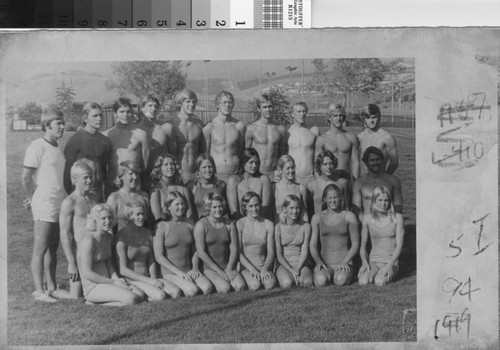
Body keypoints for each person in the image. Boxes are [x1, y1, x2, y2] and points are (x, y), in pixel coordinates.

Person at [21, 107, 67, 302]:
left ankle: (51, 287)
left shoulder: (57, 148)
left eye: (63, 123)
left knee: (53, 247)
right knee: (40, 247)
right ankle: (39, 291)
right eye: (58, 124)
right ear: (47, 125)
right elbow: (25, 177)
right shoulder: (37, 146)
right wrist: (33, 197)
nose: (62, 127)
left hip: (58, 201)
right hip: (44, 202)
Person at [77, 204, 144, 306]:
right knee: (132, 298)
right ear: (95, 220)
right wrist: (113, 283)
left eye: (110, 218)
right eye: (103, 218)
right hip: (93, 286)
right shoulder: (89, 241)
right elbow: (87, 273)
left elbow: (109, 264)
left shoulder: (109, 237)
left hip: (108, 282)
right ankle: (91, 302)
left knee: (140, 294)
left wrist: (117, 280)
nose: (108, 221)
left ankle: (101, 300)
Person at [115, 201, 180, 300]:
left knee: (176, 292)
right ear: (129, 215)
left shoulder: (147, 233)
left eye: (143, 214)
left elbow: (151, 259)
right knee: (161, 296)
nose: (141, 217)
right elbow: (123, 270)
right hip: (132, 280)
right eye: (138, 214)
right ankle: (140, 295)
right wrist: (149, 281)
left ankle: (146, 295)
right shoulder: (121, 237)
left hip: (148, 278)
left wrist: (153, 277)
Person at [154, 191, 213, 296]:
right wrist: (179, 273)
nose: (181, 207)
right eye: (177, 204)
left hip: (188, 270)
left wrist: (195, 268)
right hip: (170, 273)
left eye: (182, 204)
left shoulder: (189, 223)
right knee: (192, 290)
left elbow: (195, 249)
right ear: (168, 207)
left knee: (207, 288)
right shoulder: (162, 226)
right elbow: (158, 256)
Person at [59, 161, 98, 299]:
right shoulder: (69, 202)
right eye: (85, 178)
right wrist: (72, 263)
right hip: (79, 253)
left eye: (91, 177)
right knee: (76, 296)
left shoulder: (94, 198)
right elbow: (65, 233)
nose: (89, 181)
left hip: (95, 250)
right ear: (75, 179)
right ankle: (53, 291)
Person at [193, 193, 246, 293]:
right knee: (225, 288)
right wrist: (219, 271)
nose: (218, 209)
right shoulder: (201, 225)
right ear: (208, 207)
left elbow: (234, 248)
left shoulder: (229, 223)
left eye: (220, 206)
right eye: (214, 207)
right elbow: (201, 252)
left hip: (226, 266)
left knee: (240, 286)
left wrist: (230, 267)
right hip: (209, 268)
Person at [310, 184, 360, 287]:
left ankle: (345, 273)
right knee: (321, 281)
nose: (333, 200)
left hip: (345, 262)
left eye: (335, 197)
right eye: (330, 198)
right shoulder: (317, 218)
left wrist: (345, 261)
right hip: (325, 263)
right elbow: (313, 244)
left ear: (341, 197)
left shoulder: (349, 216)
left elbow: (355, 243)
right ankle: (327, 274)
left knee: (340, 280)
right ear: (324, 199)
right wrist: (318, 262)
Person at [63, 102, 112, 201]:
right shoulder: (76, 140)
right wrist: (71, 195)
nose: (99, 118)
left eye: (100, 115)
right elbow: (67, 171)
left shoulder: (105, 141)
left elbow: (104, 171)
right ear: (85, 119)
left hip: (98, 192)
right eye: (95, 116)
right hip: (81, 192)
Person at [358, 186, 404, 286]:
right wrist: (364, 262)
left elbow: (399, 245)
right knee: (363, 282)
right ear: (374, 200)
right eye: (380, 200)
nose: (383, 204)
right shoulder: (367, 218)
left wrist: (389, 266)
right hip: (373, 260)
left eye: (386, 200)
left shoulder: (397, 218)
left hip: (390, 261)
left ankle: (386, 273)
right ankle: (374, 273)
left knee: (379, 282)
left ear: (390, 201)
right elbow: (363, 245)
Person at [103, 98, 149, 195]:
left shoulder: (140, 134)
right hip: (113, 182)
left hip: (134, 182)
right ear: (115, 114)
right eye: (122, 112)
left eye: (128, 112)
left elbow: (145, 164)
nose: (125, 115)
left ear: (132, 113)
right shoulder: (107, 135)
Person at [237, 192, 276, 291]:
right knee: (255, 285)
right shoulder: (240, 224)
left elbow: (271, 252)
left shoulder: (268, 224)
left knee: (269, 285)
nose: (254, 209)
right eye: (250, 206)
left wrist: (265, 268)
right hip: (246, 267)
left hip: (263, 265)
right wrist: (252, 269)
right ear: (244, 207)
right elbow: (238, 252)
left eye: (256, 205)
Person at [203, 90, 245, 182]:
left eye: (230, 102)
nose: (227, 105)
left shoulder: (239, 126)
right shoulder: (209, 127)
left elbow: (241, 150)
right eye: (224, 102)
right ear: (217, 105)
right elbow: (205, 155)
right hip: (216, 175)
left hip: (234, 175)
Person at [352, 146, 403, 223]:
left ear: (382, 160)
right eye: (372, 160)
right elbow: (357, 209)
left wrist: (390, 222)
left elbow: (398, 206)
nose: (375, 163)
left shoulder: (393, 181)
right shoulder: (359, 183)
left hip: (388, 222)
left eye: (378, 160)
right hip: (368, 223)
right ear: (366, 162)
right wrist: (366, 224)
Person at [274, 195, 313, 288]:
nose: (295, 211)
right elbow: (279, 255)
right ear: (284, 209)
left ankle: (299, 275)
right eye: (291, 208)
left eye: (297, 208)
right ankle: (288, 276)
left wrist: (298, 269)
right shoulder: (278, 227)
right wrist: (291, 270)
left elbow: (304, 251)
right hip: (284, 264)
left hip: (300, 263)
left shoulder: (306, 226)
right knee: (287, 284)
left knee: (307, 282)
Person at [135, 95, 174, 186]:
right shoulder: (135, 129)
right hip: (141, 177)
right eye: (150, 106)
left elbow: (172, 155)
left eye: (156, 106)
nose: (153, 109)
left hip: (161, 178)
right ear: (142, 108)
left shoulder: (165, 128)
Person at [245, 94, 286, 180]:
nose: (268, 109)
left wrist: (279, 171)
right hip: (257, 173)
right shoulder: (252, 129)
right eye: (264, 107)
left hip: (274, 174)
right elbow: (246, 155)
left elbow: (282, 155)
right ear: (259, 109)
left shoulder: (280, 129)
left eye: (270, 106)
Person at [170, 89, 206, 184]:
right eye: (188, 101)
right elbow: (168, 153)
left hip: (195, 175)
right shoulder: (171, 125)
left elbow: (202, 152)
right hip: (177, 175)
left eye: (194, 102)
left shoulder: (199, 125)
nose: (192, 104)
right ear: (180, 104)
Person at [315, 104, 360, 181]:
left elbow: (355, 162)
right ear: (329, 117)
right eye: (335, 115)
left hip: (346, 179)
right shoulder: (322, 139)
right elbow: (317, 164)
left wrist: (355, 182)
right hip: (329, 180)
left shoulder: (351, 137)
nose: (338, 118)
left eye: (341, 115)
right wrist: (320, 183)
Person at [227, 148, 272, 221]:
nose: (254, 166)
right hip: (241, 222)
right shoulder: (234, 181)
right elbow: (234, 211)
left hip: (260, 221)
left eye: (256, 162)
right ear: (243, 162)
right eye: (251, 162)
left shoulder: (263, 180)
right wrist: (245, 224)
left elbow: (265, 208)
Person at [106, 161, 151, 232]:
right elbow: (109, 226)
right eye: (131, 174)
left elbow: (147, 223)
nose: (135, 177)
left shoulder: (144, 196)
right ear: (122, 176)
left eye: (136, 174)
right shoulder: (114, 198)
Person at [149, 153, 194, 222]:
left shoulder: (183, 190)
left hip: (183, 226)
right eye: (166, 164)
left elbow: (189, 215)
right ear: (159, 168)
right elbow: (157, 218)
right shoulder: (155, 191)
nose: (170, 167)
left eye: (172, 164)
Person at [357, 104, 398, 176]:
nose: (371, 121)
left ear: (379, 118)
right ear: (364, 120)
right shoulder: (360, 137)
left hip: (380, 180)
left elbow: (394, 163)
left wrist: (385, 177)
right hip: (363, 181)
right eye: (368, 118)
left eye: (374, 117)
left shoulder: (387, 137)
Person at [284, 102, 319, 186]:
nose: (302, 114)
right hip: (293, 178)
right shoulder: (287, 132)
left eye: (304, 111)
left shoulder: (314, 131)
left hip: (311, 178)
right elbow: (283, 156)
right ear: (292, 114)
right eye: (298, 111)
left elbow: (318, 156)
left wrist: (318, 177)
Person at [307, 150, 349, 217]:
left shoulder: (342, 183)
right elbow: (309, 211)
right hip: (320, 222)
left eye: (331, 163)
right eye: (325, 164)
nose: (328, 167)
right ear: (319, 166)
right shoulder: (312, 186)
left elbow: (346, 208)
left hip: (338, 221)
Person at [186, 153, 226, 221]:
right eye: (204, 167)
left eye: (210, 167)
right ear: (198, 169)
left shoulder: (221, 185)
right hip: (198, 224)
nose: (208, 170)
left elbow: (225, 209)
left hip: (218, 223)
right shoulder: (191, 186)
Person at [273, 155, 308, 223]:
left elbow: (304, 213)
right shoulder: (275, 187)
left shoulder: (301, 188)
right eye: (288, 168)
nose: (291, 171)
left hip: (297, 227)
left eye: (293, 168)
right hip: (279, 227)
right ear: (281, 170)